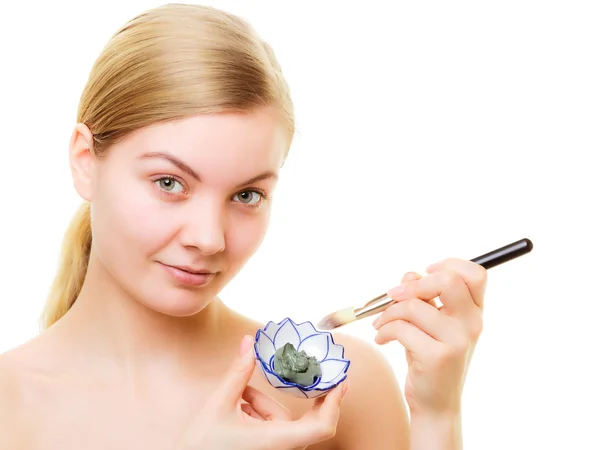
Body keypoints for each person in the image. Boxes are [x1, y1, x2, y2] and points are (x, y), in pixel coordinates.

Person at [0, 4, 487, 449]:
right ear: (86, 161)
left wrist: (436, 415)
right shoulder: (10, 408)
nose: (209, 238)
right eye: (169, 182)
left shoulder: (340, 388)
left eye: (246, 195)